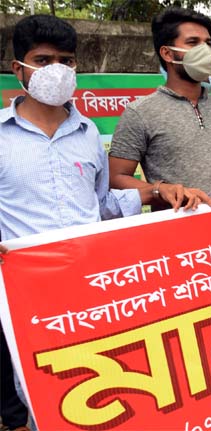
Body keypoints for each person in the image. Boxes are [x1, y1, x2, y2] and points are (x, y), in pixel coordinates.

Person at [0, 14, 145, 431]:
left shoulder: (87, 133)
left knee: (104, 387)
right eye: (43, 60)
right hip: (28, 296)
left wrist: (157, 193)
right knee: (44, 396)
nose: (56, 70)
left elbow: (99, 204)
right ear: (19, 69)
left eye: (66, 60)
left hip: (90, 288)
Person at [109, 7, 211, 211]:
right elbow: (116, 177)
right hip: (179, 235)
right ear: (167, 53)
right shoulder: (140, 113)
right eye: (193, 42)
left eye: (207, 43)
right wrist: (160, 191)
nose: (205, 50)